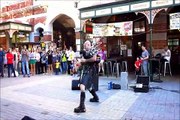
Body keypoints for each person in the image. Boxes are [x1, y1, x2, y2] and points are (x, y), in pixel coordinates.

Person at [74, 40, 99, 113]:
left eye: (87, 44)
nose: (85, 46)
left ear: (90, 45)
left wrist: (85, 60)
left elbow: (94, 59)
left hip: (90, 70)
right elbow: (82, 61)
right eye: (85, 44)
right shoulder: (83, 52)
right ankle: (95, 97)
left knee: (82, 85)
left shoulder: (93, 50)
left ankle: (82, 106)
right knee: (88, 86)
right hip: (84, 70)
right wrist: (78, 64)